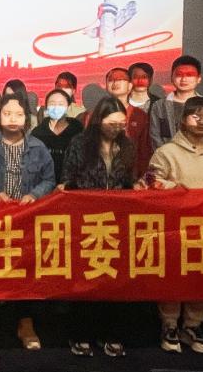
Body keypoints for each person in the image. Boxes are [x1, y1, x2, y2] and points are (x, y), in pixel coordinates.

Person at [136, 96, 203, 355]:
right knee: (173, 276)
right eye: (195, 116)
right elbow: (150, 180)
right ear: (182, 120)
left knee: (202, 277)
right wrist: (176, 189)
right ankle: (169, 325)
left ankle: (193, 326)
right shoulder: (167, 152)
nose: (202, 122)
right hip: (174, 227)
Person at [0, 93, 55, 351]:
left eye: (18, 114)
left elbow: (49, 180)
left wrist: (35, 195)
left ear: (26, 118)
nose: (12, 119)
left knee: (25, 269)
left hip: (27, 218)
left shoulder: (38, 147)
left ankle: (25, 322)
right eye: (7, 113)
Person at [60, 97, 136, 357]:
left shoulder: (127, 146)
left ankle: (110, 333)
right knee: (85, 278)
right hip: (85, 221)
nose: (116, 128)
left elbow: (129, 180)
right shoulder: (79, 144)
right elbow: (68, 179)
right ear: (98, 121)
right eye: (111, 123)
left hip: (116, 222)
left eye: (121, 124)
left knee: (114, 279)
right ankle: (80, 333)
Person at [100, 67, 153, 177]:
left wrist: (141, 177)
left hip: (130, 177)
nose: (115, 82)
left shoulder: (139, 115)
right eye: (111, 80)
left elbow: (144, 151)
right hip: (100, 176)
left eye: (120, 79)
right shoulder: (96, 114)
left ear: (130, 86)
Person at [30, 88, 83, 184]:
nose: (56, 107)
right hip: (44, 186)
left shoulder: (78, 130)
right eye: (52, 104)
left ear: (68, 107)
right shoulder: (37, 133)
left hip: (72, 186)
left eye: (61, 104)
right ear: (46, 108)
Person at [149, 55, 203, 149]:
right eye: (179, 74)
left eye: (189, 75)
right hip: (167, 156)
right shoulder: (159, 105)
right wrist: (168, 155)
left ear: (198, 79)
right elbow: (155, 136)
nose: (184, 79)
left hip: (199, 156)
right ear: (171, 77)